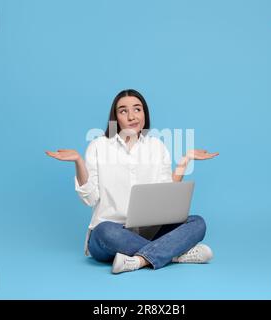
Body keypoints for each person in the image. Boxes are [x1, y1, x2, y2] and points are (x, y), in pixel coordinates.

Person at [46, 89, 219, 274]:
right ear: (115, 117)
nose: (131, 116)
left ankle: (137, 261)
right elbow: (90, 198)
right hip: (111, 234)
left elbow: (166, 197)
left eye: (137, 109)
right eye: (123, 111)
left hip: (149, 230)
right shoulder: (98, 146)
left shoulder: (157, 147)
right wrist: (78, 162)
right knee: (104, 232)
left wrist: (185, 161)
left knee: (197, 223)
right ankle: (175, 254)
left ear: (145, 113)